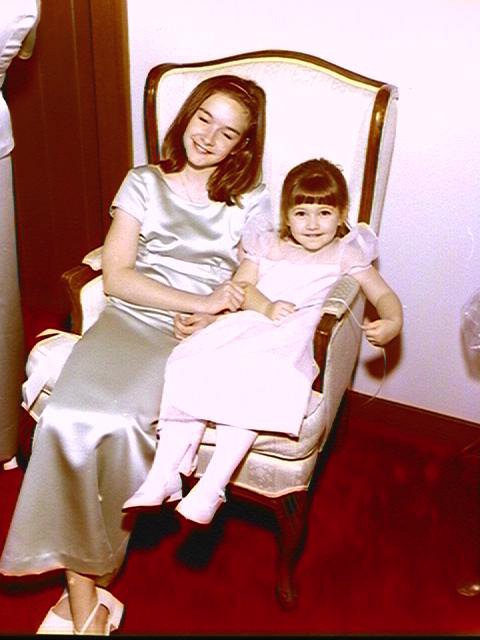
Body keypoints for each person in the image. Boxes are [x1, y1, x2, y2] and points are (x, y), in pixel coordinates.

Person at [0, 73, 271, 635]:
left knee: (124, 425)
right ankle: (86, 596)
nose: (208, 137)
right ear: (187, 116)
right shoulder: (143, 182)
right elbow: (118, 277)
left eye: (227, 132)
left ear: (242, 145)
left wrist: (215, 313)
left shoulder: (250, 201)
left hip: (198, 338)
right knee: (67, 416)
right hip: (132, 318)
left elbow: (248, 276)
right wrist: (198, 298)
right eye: (203, 119)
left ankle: (86, 591)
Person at [122, 157, 403, 526]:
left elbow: (383, 294)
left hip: (291, 336)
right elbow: (240, 286)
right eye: (301, 213)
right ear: (286, 215)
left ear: (341, 214)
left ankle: (212, 486)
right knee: (191, 362)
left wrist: (392, 321)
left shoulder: (346, 253)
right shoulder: (268, 244)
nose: (313, 224)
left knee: (257, 383)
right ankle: (164, 474)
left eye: (324, 213)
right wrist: (260, 306)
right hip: (250, 321)